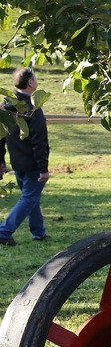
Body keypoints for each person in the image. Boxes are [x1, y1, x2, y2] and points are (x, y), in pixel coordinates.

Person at [0, 67, 50, 246]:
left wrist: (1, 161)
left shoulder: (5, 106)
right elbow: (39, 141)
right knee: (29, 198)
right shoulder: (33, 108)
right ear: (30, 82)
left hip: (17, 163)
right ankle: (3, 232)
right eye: (35, 78)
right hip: (33, 164)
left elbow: (0, 137)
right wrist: (43, 169)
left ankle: (39, 233)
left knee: (31, 197)